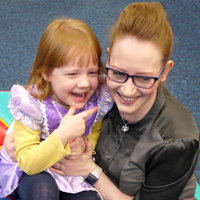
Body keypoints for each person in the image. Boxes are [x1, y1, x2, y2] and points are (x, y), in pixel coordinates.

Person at [49, 2, 199, 200]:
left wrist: (89, 170)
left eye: (144, 78)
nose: (127, 90)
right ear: (109, 58)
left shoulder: (176, 140)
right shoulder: (97, 89)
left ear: (165, 71)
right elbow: (50, 95)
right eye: (119, 73)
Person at [0, 17, 113, 200]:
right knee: (43, 191)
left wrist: (86, 144)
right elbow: (28, 163)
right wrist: (62, 136)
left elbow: (95, 130)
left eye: (92, 72)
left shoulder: (96, 100)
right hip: (33, 169)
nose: (84, 83)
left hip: (69, 171)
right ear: (46, 73)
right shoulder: (33, 105)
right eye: (72, 74)